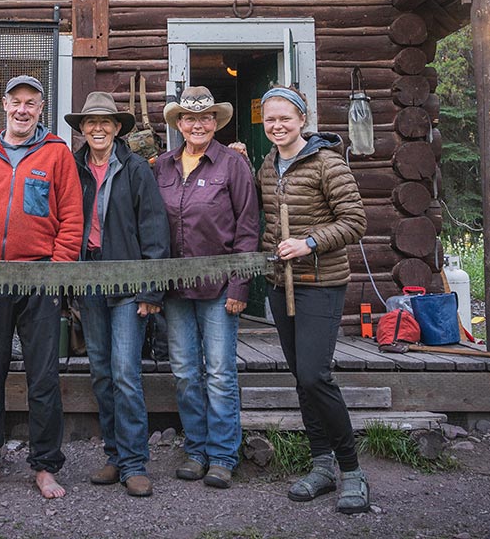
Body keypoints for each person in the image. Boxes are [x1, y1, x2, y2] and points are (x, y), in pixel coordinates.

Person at [0, 75, 83, 500]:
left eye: (31, 103)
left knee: (42, 376)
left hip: (39, 276)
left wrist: (58, 270)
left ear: (40, 109)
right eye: (16, 102)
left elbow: (71, 217)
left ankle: (45, 465)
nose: (23, 109)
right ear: (4, 106)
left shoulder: (57, 153)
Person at [257, 86, 369, 514]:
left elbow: (355, 221)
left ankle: (353, 472)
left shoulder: (327, 163)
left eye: (285, 118)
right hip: (280, 282)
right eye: (270, 119)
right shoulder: (268, 164)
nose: (278, 125)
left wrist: (309, 242)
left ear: (302, 119)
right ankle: (321, 466)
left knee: (316, 375)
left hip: (320, 282)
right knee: (300, 377)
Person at [151, 86, 260, 489]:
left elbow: (248, 229)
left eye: (206, 118)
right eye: (190, 118)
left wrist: (240, 285)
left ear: (216, 123)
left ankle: (223, 455)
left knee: (218, 372)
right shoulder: (160, 166)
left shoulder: (233, 165)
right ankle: (195, 449)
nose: (198, 124)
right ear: (178, 124)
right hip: (175, 289)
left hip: (219, 289)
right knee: (183, 371)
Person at [65, 90, 170, 498]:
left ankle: (134, 462)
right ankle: (113, 455)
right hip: (88, 278)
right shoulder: (72, 167)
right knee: (102, 372)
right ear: (83, 129)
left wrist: (151, 290)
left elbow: (155, 230)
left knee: (126, 373)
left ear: (116, 128)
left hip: (128, 281)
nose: (97, 128)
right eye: (90, 122)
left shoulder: (136, 168)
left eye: (105, 122)